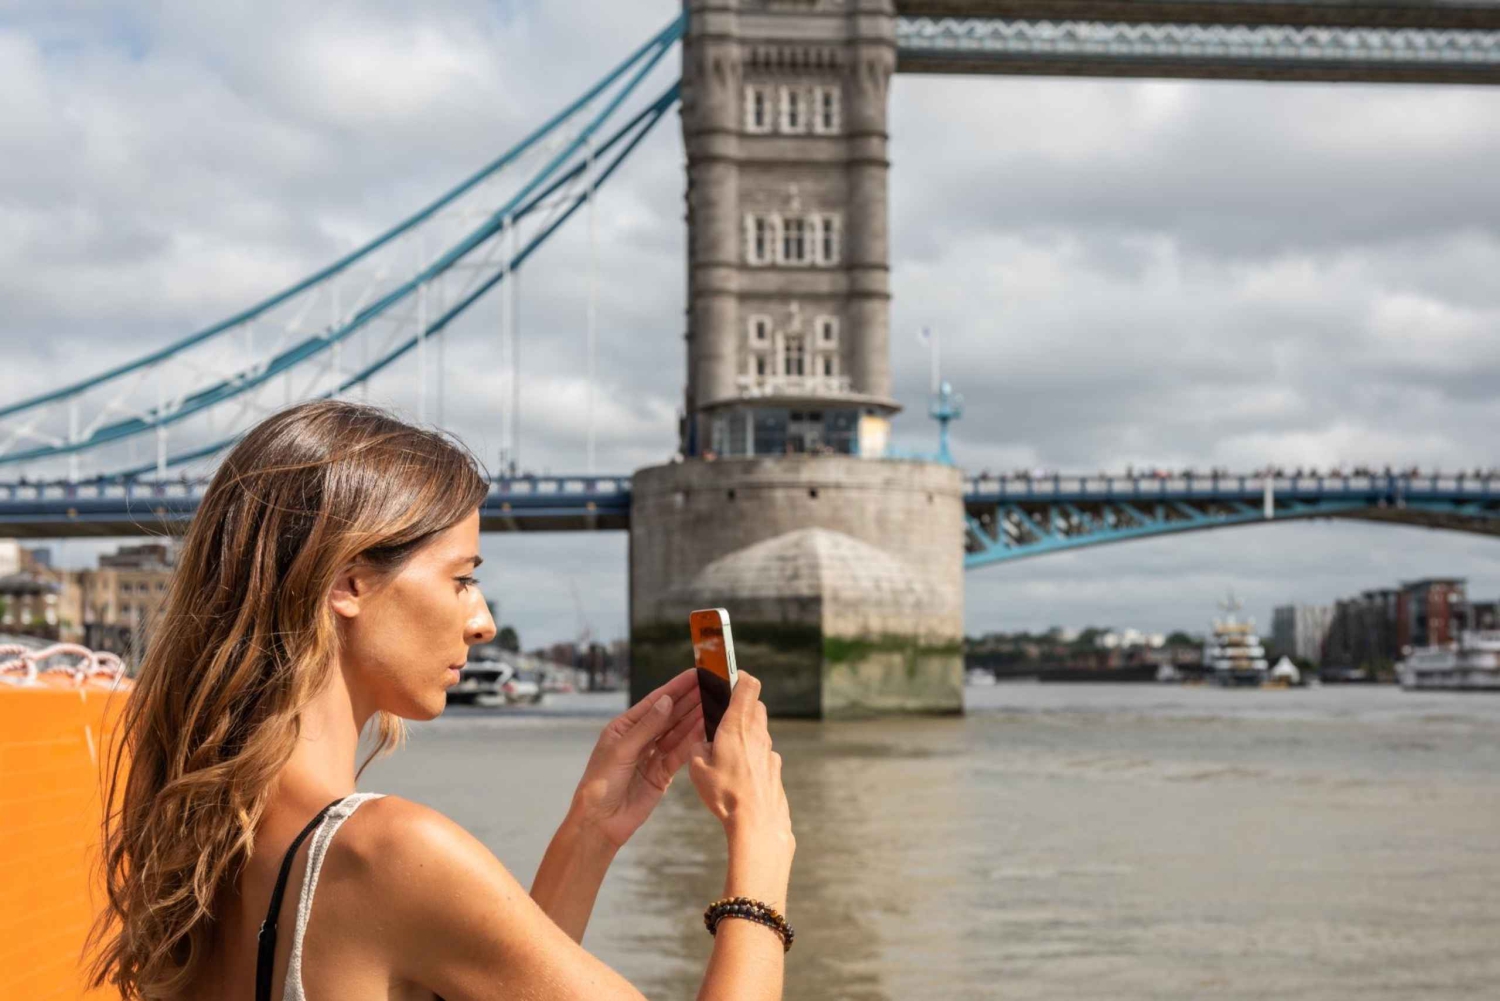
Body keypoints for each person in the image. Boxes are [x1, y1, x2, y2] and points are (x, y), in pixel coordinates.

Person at [88, 400, 795, 1000]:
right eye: (461, 578)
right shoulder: (386, 850)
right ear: (349, 583)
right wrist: (759, 851)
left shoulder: (225, 833)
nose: (482, 620)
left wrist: (590, 831)